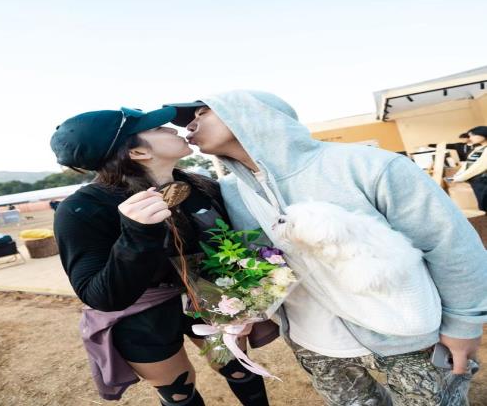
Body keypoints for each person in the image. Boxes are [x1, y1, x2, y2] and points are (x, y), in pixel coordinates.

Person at [165, 90, 487, 406]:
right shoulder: (230, 191)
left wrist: (463, 323)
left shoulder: (367, 165)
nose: (189, 126)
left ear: (253, 113)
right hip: (314, 343)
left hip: (405, 334)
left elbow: (449, 245)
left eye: (202, 113)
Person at [50, 107, 274, 406]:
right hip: (141, 314)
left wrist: (249, 292)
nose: (171, 128)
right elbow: (99, 295)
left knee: (237, 367)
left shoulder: (199, 186)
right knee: (178, 391)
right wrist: (137, 234)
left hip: (208, 295)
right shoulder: (81, 209)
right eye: (157, 128)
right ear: (138, 152)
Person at [452, 126, 487, 211]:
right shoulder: (478, 148)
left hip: (483, 181)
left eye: (473, 135)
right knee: (482, 204)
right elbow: (467, 164)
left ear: (483, 134)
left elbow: (478, 167)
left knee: (484, 204)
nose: (470, 138)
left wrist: (460, 177)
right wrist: (458, 174)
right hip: (476, 180)